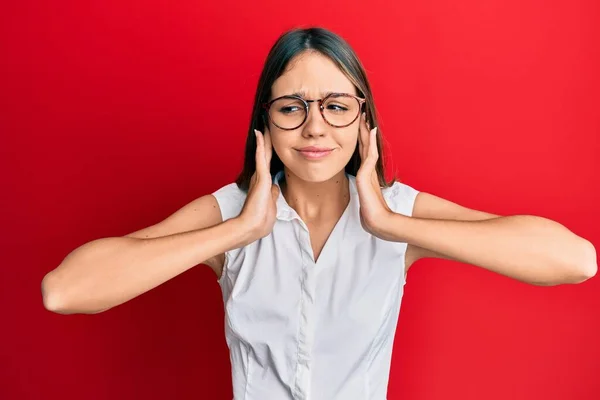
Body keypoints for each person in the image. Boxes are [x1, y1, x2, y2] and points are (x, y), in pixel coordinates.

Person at [41, 27, 596, 400]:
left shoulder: (399, 214)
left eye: (335, 106)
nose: (314, 128)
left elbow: (575, 260)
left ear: (363, 121)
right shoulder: (231, 213)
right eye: (291, 108)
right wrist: (240, 231)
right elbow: (64, 291)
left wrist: (388, 224)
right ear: (265, 122)